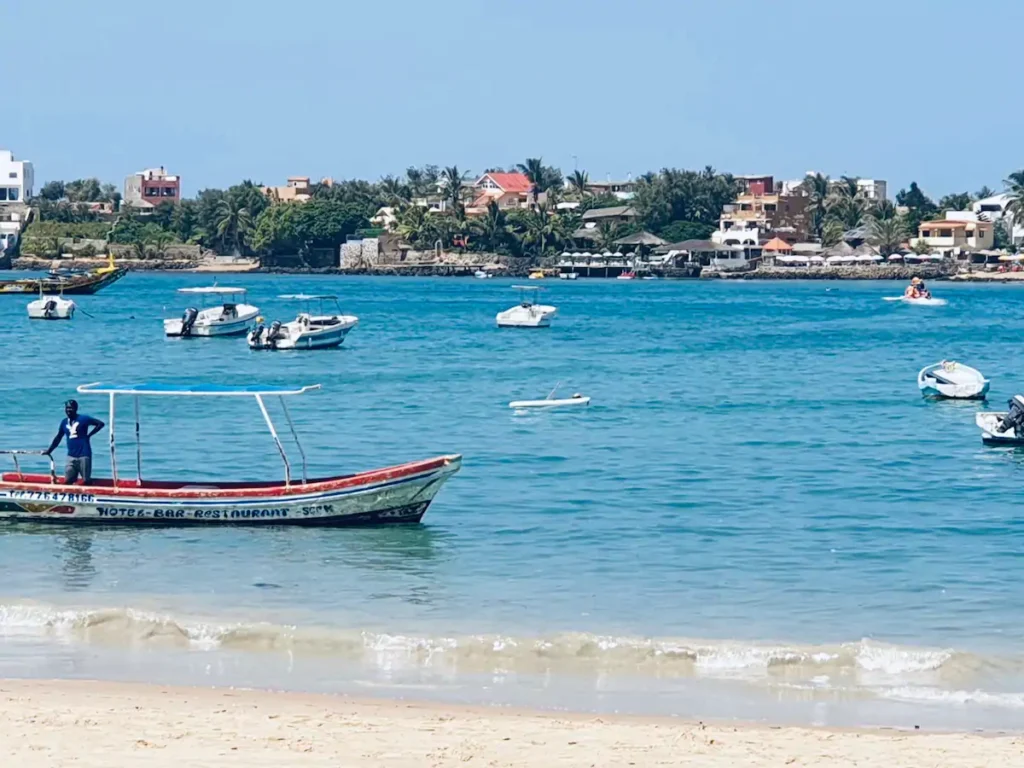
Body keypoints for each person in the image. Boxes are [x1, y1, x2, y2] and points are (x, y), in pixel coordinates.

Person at [44, 399, 105, 485]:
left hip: (84, 455)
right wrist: (49, 450)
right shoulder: (64, 422)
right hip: (71, 456)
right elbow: (58, 437)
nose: (68, 410)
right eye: (67, 408)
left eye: (71, 408)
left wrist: (89, 435)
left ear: (75, 409)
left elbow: (100, 424)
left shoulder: (83, 419)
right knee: (68, 479)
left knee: (86, 480)